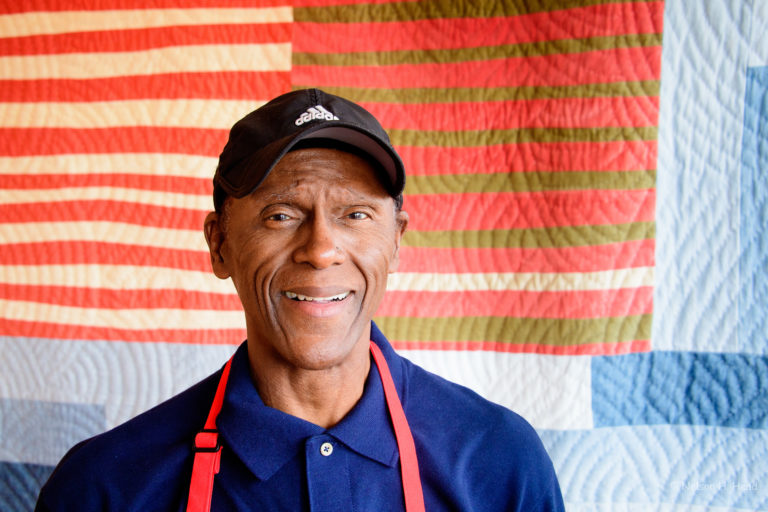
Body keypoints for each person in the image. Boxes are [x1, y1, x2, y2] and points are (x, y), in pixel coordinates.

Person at [35, 89, 565, 511]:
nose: (320, 250)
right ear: (219, 245)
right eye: (281, 215)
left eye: (355, 214)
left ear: (396, 241)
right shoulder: (103, 487)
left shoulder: (499, 461)